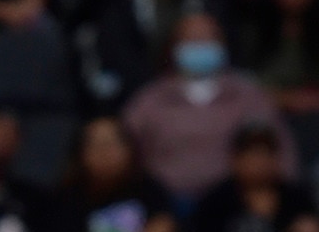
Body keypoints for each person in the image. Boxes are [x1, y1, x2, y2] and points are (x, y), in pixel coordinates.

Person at [123, 12, 293, 212]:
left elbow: (280, 148)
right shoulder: (149, 99)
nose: (201, 46)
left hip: (235, 205)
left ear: (223, 45)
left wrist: (288, 200)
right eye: (192, 40)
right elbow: (124, 149)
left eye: (208, 39)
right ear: (173, 47)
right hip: (165, 205)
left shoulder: (249, 95)